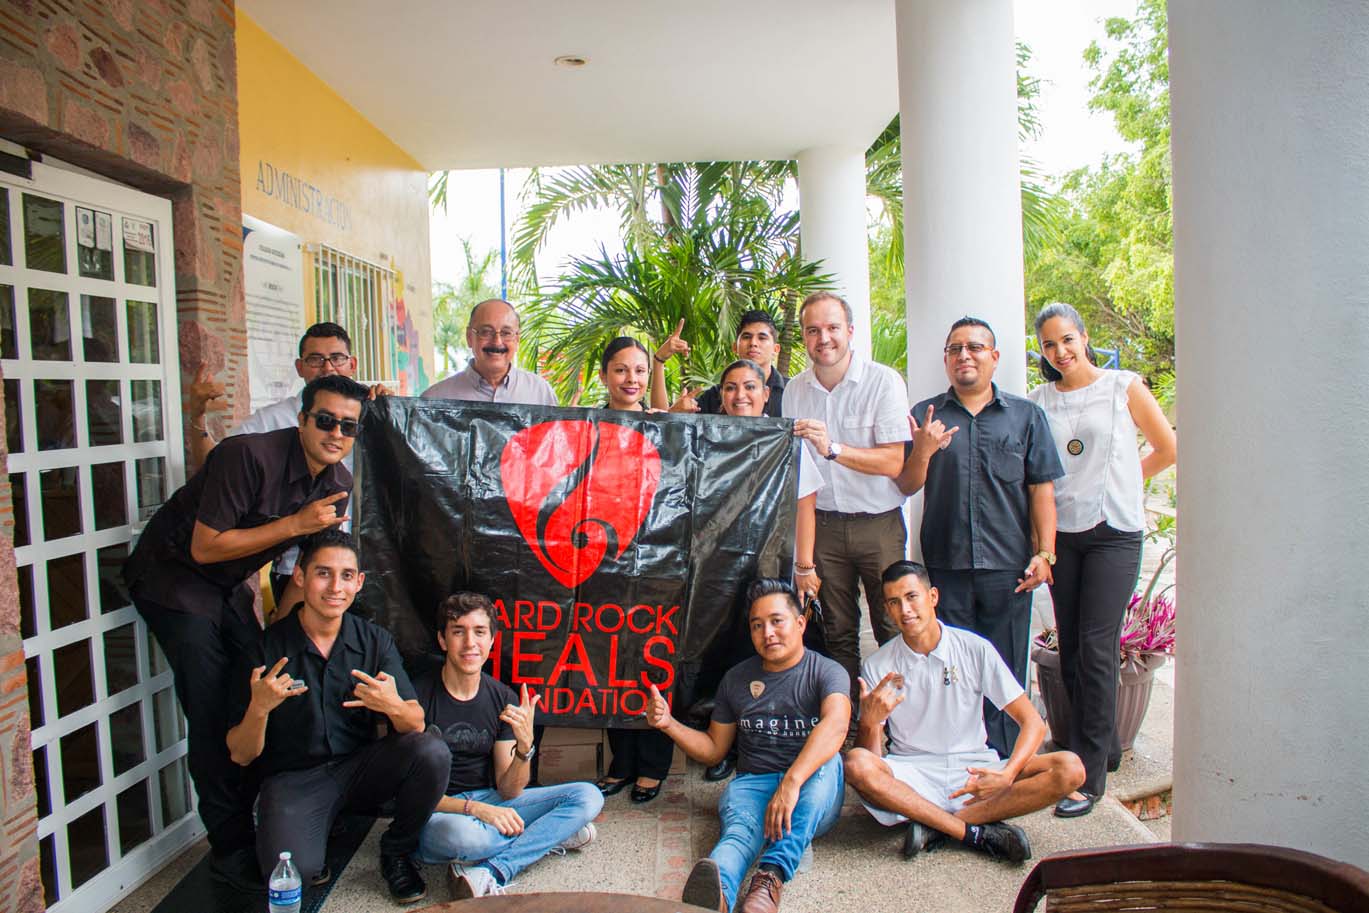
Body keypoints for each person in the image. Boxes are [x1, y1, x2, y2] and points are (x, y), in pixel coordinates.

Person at [121, 374, 369, 891]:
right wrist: (294, 524)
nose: (336, 433)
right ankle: (229, 845)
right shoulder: (246, 456)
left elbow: (312, 565)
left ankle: (265, 815)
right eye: (326, 420)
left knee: (260, 680)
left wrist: (288, 623)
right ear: (302, 420)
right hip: (173, 579)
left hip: (228, 587)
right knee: (212, 706)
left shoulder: (338, 482)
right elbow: (205, 547)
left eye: (347, 426)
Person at [226, 530, 450, 904]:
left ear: (359, 582)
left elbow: (414, 723)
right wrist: (259, 708)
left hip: (359, 770)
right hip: (294, 780)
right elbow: (240, 754)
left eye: (346, 576)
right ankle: (311, 828)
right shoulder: (265, 648)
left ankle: (397, 851)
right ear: (300, 577)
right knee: (294, 875)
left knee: (431, 751)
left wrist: (391, 705)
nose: (335, 587)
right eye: (323, 573)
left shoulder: (374, 640)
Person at [1028, 302, 1176, 816]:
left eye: (1067, 339)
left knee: (1095, 646)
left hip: (1114, 533)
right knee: (1071, 646)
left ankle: (1088, 777)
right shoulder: (1039, 401)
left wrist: (1127, 479)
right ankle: (1105, 745)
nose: (1060, 351)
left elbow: (1167, 447)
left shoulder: (1122, 387)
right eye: (1049, 344)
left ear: (1085, 337)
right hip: (1062, 536)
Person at [898, 317, 1064, 757]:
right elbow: (907, 484)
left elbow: (1042, 490)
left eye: (974, 347)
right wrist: (923, 451)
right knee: (952, 670)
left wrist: (1045, 553)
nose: (964, 356)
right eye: (955, 349)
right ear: (946, 360)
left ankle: (1007, 763)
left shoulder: (1026, 416)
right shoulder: (926, 415)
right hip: (946, 567)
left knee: (1005, 671)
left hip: (1008, 569)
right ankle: (960, 759)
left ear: (994, 357)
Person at [844, 562, 1084, 863]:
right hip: (913, 775)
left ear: (932, 596)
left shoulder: (974, 648)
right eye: (894, 602)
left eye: (911, 596)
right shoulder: (879, 664)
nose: (905, 609)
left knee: (1070, 768)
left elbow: (1033, 723)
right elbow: (871, 761)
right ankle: (972, 832)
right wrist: (869, 722)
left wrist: (1007, 775)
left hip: (974, 771)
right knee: (856, 764)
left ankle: (933, 825)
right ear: (886, 609)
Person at [649, 578, 849, 913]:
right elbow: (714, 749)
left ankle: (770, 877)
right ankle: (717, 895)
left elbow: (837, 724)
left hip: (811, 788)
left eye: (776, 621)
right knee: (739, 835)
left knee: (829, 762)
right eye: (757, 625)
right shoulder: (736, 679)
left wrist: (791, 783)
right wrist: (668, 723)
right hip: (753, 784)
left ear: (801, 623)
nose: (767, 633)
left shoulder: (827, 672)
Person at [414, 592, 603, 900]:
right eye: (458, 632)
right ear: (442, 640)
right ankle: (545, 837)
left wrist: (525, 748)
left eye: (480, 632)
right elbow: (411, 796)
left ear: (491, 641)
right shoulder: (418, 696)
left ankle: (492, 870)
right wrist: (476, 810)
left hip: (490, 799)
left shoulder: (503, 697)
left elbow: (509, 790)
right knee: (468, 837)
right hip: (439, 810)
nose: (470, 643)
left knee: (588, 796)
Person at [781, 291, 911, 704]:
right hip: (823, 526)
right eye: (813, 330)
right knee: (837, 631)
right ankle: (847, 719)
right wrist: (803, 558)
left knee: (892, 624)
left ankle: (897, 724)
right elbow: (797, 472)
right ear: (804, 336)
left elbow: (893, 461)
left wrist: (833, 448)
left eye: (832, 328)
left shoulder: (883, 382)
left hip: (878, 525)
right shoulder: (794, 391)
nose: (824, 338)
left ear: (850, 331)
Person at [701, 359, 825, 783]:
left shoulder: (787, 440)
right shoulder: (707, 438)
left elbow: (805, 505)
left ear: (766, 394)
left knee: (766, 649)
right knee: (720, 650)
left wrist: (805, 566)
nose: (741, 395)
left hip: (772, 564)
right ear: (721, 396)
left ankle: (760, 744)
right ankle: (721, 743)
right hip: (715, 568)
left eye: (750, 387)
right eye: (731, 388)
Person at [186, 322, 365, 610]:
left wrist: (391, 407)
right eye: (315, 359)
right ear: (300, 367)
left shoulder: (372, 411)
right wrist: (197, 418)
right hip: (295, 567)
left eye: (337, 358)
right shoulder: (270, 421)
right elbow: (215, 465)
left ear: (352, 364)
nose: (327, 367)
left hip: (359, 565)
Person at [593, 336, 676, 800]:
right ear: (604, 375)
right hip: (601, 564)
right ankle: (621, 761)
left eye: (640, 370)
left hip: (656, 564)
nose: (631, 379)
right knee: (608, 661)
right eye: (621, 370)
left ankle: (654, 763)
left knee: (653, 658)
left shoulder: (665, 427)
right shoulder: (584, 425)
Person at [422, 298, 557, 405]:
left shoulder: (541, 393)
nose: (497, 342)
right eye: (486, 332)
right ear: (469, 337)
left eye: (506, 333)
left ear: (517, 340)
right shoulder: (434, 401)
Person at [651, 311, 787, 416]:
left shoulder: (791, 391)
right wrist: (659, 360)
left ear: (776, 349)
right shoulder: (714, 396)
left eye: (762, 338)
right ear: (735, 347)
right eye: (747, 337)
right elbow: (660, 428)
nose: (753, 343)